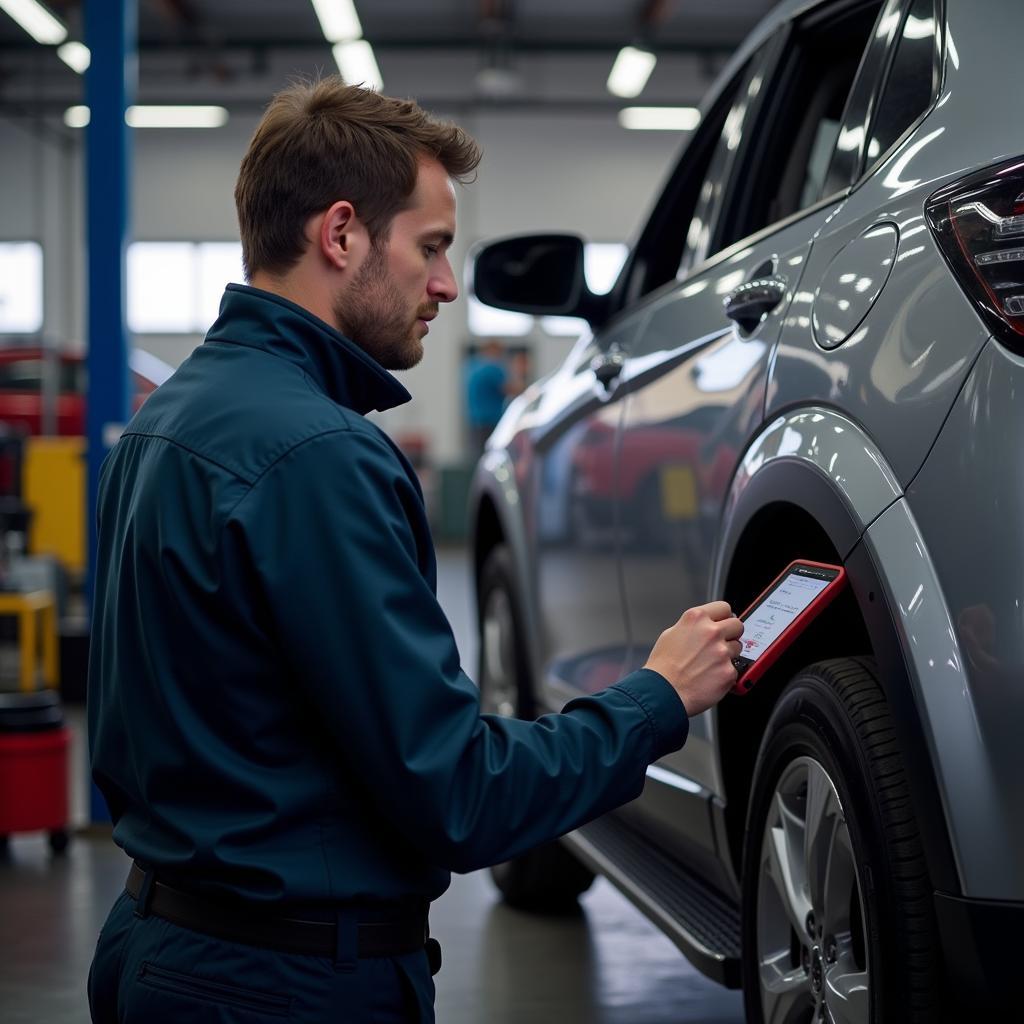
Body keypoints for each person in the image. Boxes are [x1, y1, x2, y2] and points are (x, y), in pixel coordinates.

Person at [86, 77, 743, 1023]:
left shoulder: (164, 425)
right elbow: (459, 797)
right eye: (432, 247)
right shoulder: (322, 458)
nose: (446, 284)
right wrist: (658, 697)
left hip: (157, 944)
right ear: (342, 233)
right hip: (287, 988)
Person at [465, 339, 519, 457]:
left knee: (478, 458)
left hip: (475, 423)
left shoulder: (473, 367)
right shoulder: (493, 369)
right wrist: (517, 370)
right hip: (490, 423)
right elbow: (513, 390)